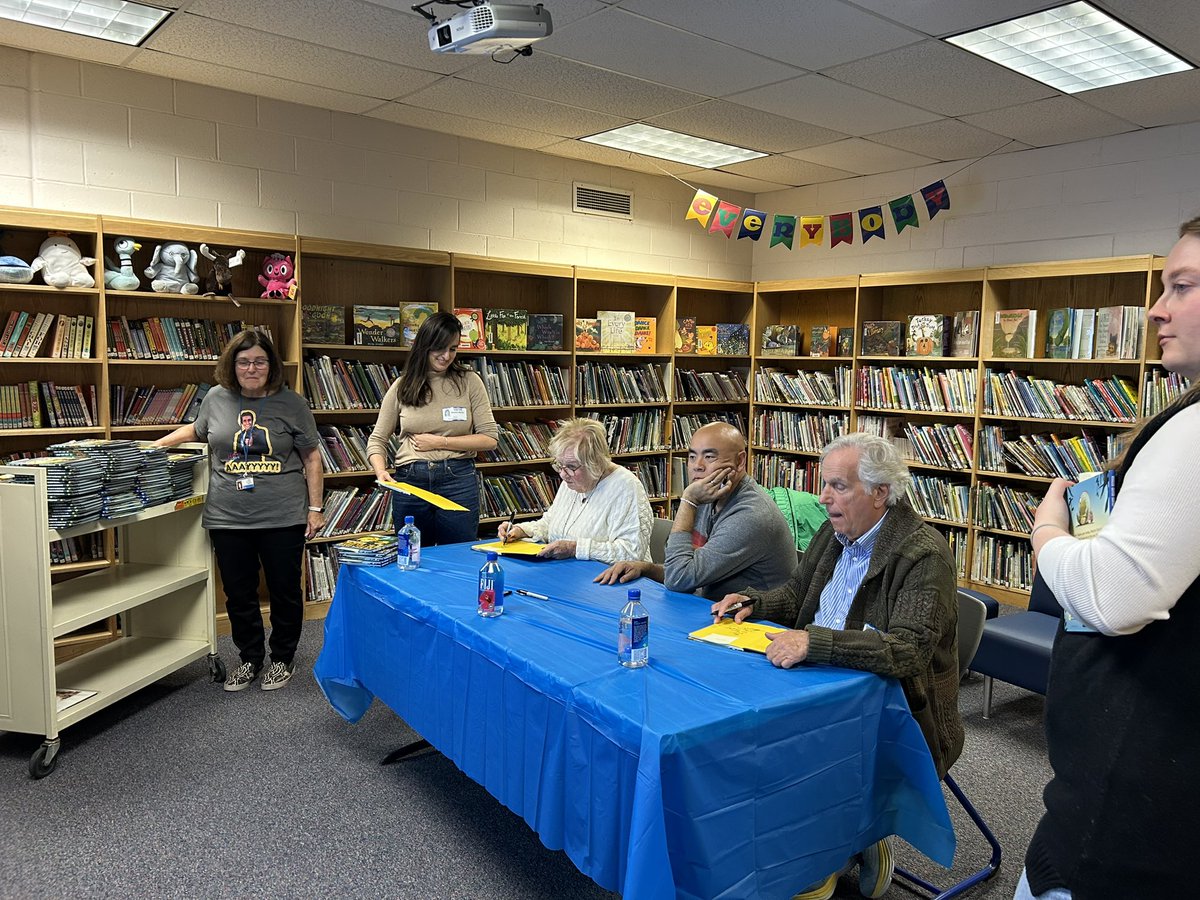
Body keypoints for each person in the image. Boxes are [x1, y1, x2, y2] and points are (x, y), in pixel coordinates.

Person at [1015, 217, 1200, 900]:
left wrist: (1046, 534)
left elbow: (1115, 597)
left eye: (1183, 285)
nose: (1156, 307)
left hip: (1131, 809)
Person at [711, 432, 961, 900]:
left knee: (795, 742)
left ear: (881, 492)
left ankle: (838, 846)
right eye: (824, 484)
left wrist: (816, 642)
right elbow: (797, 597)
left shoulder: (923, 554)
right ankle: (815, 841)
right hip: (817, 673)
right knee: (741, 729)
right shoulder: (834, 531)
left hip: (897, 707)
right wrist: (753, 601)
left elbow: (907, 651)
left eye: (839, 486)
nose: (824, 497)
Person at [155, 330, 324, 693]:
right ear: (232, 365)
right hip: (228, 516)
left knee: (284, 591)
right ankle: (249, 658)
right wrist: (156, 446)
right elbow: (198, 431)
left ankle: (282, 658)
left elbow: (312, 457)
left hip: (283, 515)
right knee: (238, 592)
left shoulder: (291, 403)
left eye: (260, 361)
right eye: (244, 361)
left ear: (272, 365)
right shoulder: (216, 397)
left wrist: (315, 509)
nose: (251, 368)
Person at [594, 421, 795, 599]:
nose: (697, 466)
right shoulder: (710, 495)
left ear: (740, 461)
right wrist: (646, 568)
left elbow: (679, 578)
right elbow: (682, 567)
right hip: (711, 609)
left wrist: (688, 501)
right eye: (692, 457)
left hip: (754, 626)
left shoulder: (751, 515)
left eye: (709, 457)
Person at [367, 310, 498, 545]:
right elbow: (377, 439)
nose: (446, 356)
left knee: (459, 556)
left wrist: (441, 442)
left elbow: (489, 438)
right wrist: (380, 471)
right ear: (425, 346)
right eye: (440, 348)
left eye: (453, 348)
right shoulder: (402, 386)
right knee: (414, 556)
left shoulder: (470, 381)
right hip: (411, 480)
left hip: (458, 478)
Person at [497, 417, 652, 562]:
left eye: (571, 466)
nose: (563, 474)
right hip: (571, 575)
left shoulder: (626, 487)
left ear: (596, 463)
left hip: (614, 582)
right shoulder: (572, 480)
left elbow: (631, 553)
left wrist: (575, 548)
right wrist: (521, 530)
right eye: (559, 464)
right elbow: (551, 523)